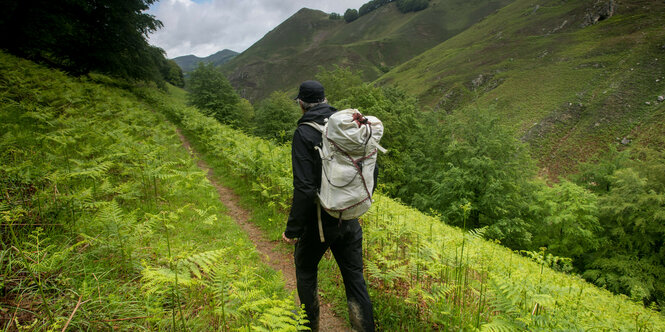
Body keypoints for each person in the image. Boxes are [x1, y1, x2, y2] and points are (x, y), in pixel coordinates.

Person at [282, 80, 376, 332]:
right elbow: (371, 168)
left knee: (305, 268)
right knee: (355, 278)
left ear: (301, 104)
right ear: (325, 100)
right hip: (350, 217)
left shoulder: (304, 133)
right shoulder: (346, 127)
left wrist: (292, 230)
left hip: (319, 220)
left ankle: (309, 325)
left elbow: (304, 187)